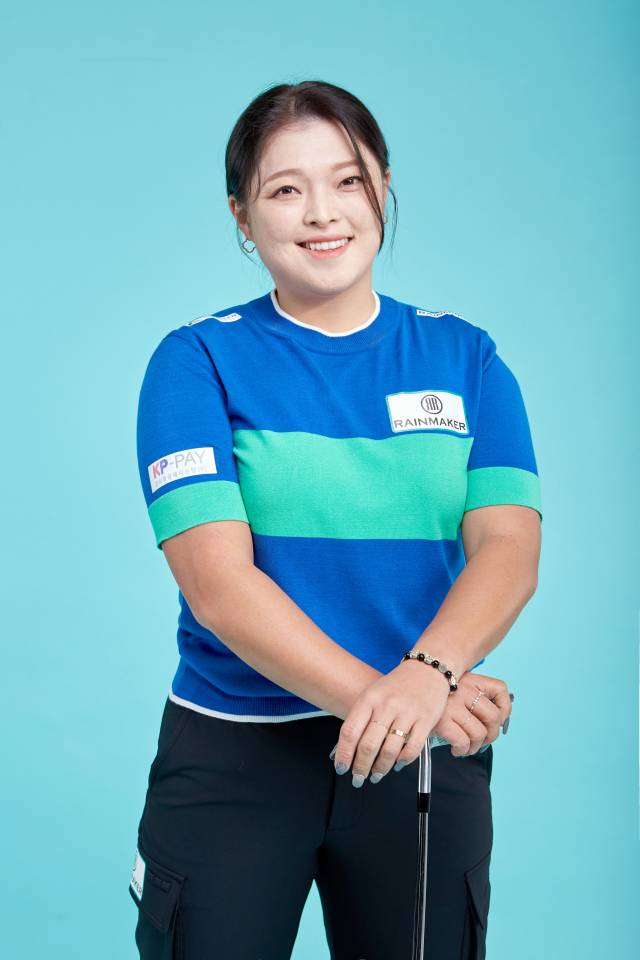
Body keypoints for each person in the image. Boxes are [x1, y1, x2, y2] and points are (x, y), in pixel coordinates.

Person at [128, 80, 542, 960]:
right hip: (238, 751)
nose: (322, 212)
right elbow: (218, 585)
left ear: (383, 187)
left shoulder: (467, 358)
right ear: (243, 216)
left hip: (423, 759)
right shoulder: (195, 361)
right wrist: (413, 700)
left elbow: (508, 547)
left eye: (347, 180)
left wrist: (426, 675)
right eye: (285, 189)